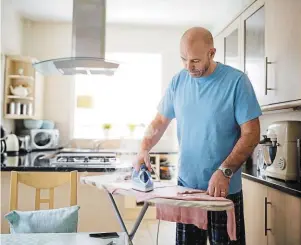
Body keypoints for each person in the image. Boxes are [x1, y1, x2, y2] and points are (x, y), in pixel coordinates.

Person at [133, 26, 262, 245]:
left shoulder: (237, 82)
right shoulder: (178, 81)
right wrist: (144, 148)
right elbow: (159, 122)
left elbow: (251, 134)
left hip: (223, 190)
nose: (188, 67)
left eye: (194, 61)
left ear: (211, 53)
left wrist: (225, 171)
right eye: (183, 59)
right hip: (187, 189)